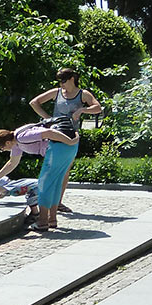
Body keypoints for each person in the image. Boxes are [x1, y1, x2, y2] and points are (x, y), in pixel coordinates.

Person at [28, 69, 100, 217]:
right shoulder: (57, 92)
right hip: (55, 136)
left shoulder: (83, 94)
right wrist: (48, 119)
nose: (62, 84)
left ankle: (57, 202)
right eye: (60, 81)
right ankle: (47, 207)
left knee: (65, 171)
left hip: (71, 137)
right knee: (51, 170)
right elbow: (34, 102)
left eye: (64, 81)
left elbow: (97, 107)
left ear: (72, 79)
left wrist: (81, 110)